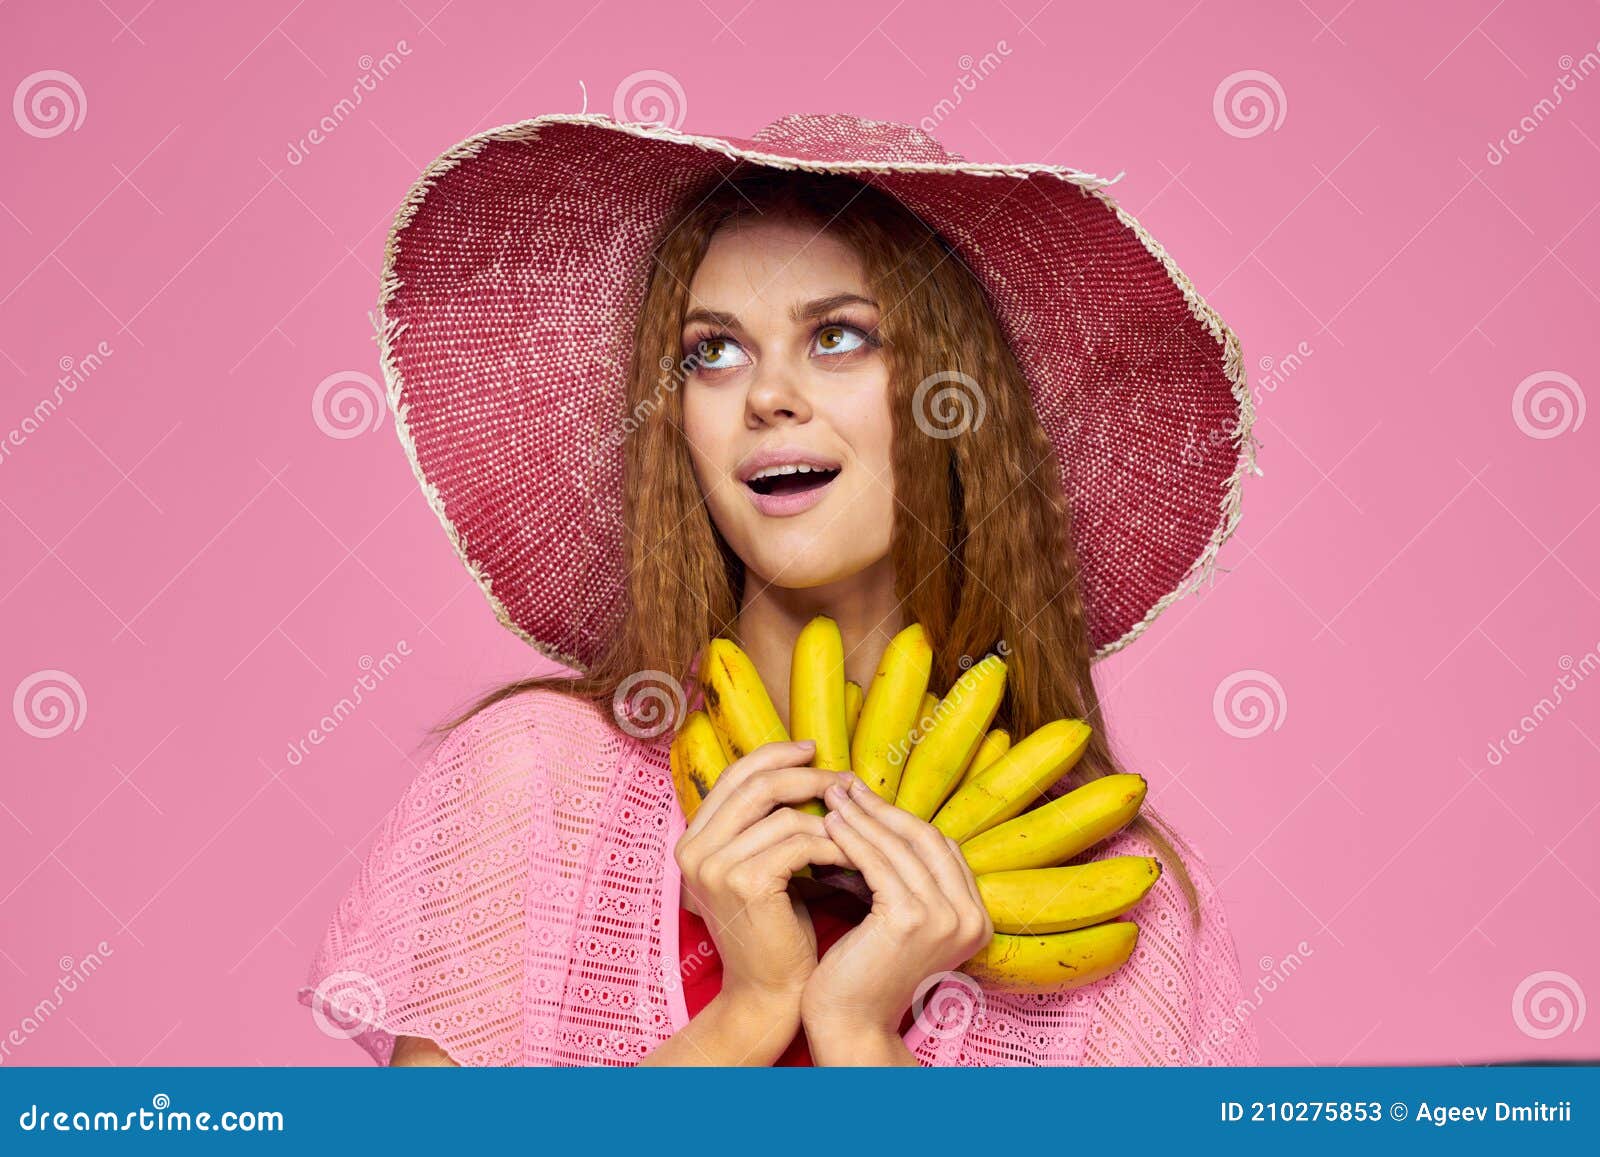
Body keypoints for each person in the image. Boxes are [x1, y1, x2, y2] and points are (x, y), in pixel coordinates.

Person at [297, 112, 1263, 1067]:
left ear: (953, 398)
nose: (766, 396)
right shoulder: (538, 781)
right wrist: (751, 1012)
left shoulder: (1107, 885)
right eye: (710, 352)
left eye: (839, 336)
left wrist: (854, 1035)